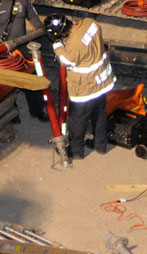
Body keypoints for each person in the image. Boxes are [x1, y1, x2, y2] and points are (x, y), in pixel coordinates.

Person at [46, 12, 114, 163]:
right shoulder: (91, 23)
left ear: (62, 33)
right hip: (102, 82)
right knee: (100, 113)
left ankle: (76, 151)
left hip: (85, 89)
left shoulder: (74, 44)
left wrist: (57, 44)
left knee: (77, 120)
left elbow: (66, 60)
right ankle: (100, 145)